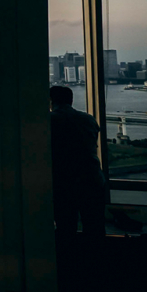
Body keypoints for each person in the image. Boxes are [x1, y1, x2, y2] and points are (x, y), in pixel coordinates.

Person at [49, 85, 107, 240]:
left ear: (50, 101)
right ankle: (98, 262)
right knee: (95, 227)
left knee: (66, 228)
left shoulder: (49, 121)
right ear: (71, 100)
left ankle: (71, 262)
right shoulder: (88, 119)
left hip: (65, 182)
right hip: (93, 179)